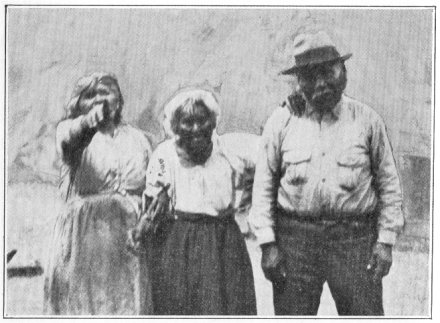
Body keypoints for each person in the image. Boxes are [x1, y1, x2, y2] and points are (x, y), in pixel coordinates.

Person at [249, 31, 405, 316]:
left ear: (343, 71)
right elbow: (263, 187)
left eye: (327, 72)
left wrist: (385, 241)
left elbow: (388, 184)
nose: (320, 83)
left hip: (354, 240)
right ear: (298, 82)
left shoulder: (367, 120)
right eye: (309, 75)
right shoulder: (281, 121)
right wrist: (268, 244)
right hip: (295, 242)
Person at [133, 88, 257, 315]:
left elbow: (271, 157)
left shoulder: (229, 149)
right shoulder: (164, 154)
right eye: (187, 122)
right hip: (180, 242)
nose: (196, 128)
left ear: (213, 122)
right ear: (175, 126)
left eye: (202, 120)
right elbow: (153, 202)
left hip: (224, 242)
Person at [43, 72, 153, 315]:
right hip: (86, 237)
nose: (98, 99)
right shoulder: (69, 132)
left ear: (119, 99)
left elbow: (154, 186)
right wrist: (86, 124)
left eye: (105, 91)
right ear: (78, 104)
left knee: (129, 304)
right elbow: (71, 142)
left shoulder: (139, 139)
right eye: (89, 95)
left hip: (129, 238)